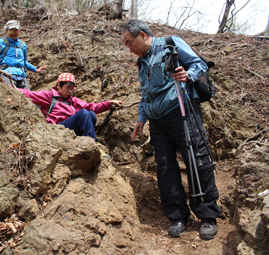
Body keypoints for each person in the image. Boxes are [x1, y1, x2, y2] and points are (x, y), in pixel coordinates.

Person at [122, 19, 220, 240]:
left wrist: (189, 75)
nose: (129, 49)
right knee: (165, 166)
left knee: (196, 158)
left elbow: (199, 64)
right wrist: (141, 118)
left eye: (130, 43)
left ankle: (207, 215)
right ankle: (178, 216)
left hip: (181, 109)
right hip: (157, 120)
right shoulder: (141, 63)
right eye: (126, 45)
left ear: (143, 36)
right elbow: (146, 93)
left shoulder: (170, 44)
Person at [18, 72, 123, 158]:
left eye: (73, 88)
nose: (71, 91)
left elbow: (92, 107)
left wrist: (109, 103)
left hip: (69, 130)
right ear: (58, 85)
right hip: (55, 130)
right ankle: (93, 145)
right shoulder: (50, 96)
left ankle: (86, 143)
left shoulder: (73, 101)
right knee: (83, 113)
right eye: (68, 87)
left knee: (91, 114)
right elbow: (28, 94)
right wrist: (5, 86)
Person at [0, 20, 47, 90]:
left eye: (15, 30)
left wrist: (35, 69)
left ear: (19, 31)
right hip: (6, 74)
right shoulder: (1, 43)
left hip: (21, 75)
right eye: (11, 30)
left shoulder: (22, 45)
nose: (13, 33)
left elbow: (24, 62)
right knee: (9, 96)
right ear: (6, 31)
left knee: (28, 97)